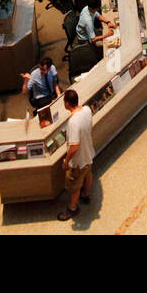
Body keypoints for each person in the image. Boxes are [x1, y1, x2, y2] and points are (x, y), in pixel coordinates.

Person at [57, 89, 95, 220]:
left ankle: (73, 208)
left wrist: (66, 161)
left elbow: (74, 146)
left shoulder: (73, 122)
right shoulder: (87, 110)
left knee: (74, 185)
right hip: (89, 154)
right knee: (88, 175)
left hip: (78, 162)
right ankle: (85, 195)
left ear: (67, 103)